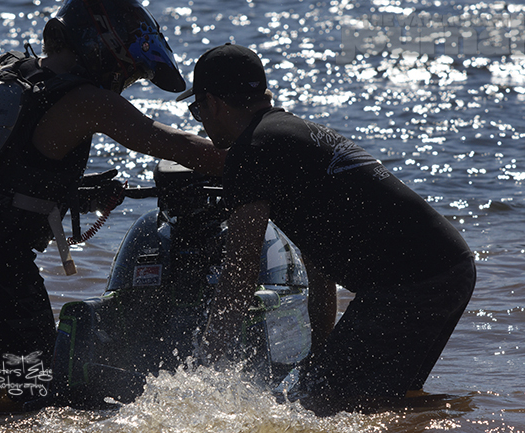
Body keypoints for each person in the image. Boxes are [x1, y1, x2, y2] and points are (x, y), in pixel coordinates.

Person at [0, 0, 224, 405]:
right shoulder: (87, 99)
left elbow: (2, 178)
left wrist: (79, 196)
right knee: (38, 403)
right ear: (105, 47)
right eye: (129, 73)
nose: (124, 83)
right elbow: (177, 144)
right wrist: (257, 156)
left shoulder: (11, 74)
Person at [177, 43, 476, 415]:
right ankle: (468, 414)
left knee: (327, 406)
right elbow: (318, 263)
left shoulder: (249, 151)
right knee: (381, 402)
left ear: (213, 103)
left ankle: (473, 416)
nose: (200, 121)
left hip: (411, 281)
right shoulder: (290, 136)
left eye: (197, 110)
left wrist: (205, 369)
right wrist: (320, 351)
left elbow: (240, 270)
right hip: (449, 266)